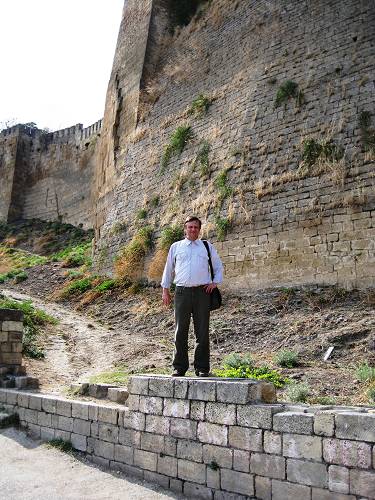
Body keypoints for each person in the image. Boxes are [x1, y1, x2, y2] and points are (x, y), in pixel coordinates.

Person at [161, 216, 224, 377]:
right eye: (190, 227)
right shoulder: (176, 247)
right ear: (185, 229)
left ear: (199, 229)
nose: (193, 230)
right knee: (180, 330)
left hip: (203, 292)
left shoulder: (206, 246)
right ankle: (179, 367)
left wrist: (214, 282)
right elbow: (169, 268)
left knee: (202, 332)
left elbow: (218, 265)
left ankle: (202, 368)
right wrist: (165, 290)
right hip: (182, 292)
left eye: (195, 227)